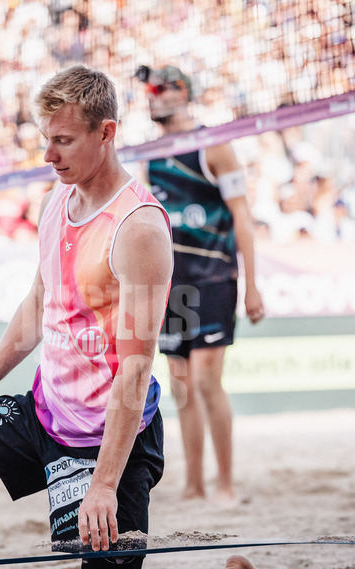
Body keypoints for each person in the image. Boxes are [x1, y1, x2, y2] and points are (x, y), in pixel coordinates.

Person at [0, 65, 277, 569]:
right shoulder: (54, 202)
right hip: (46, 414)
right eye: (47, 139)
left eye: (63, 141)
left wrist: (103, 485)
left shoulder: (138, 227)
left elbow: (135, 371)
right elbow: (39, 305)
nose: (48, 155)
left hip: (112, 438)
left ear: (106, 133)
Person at [137, 64, 265, 504]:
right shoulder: (150, 155)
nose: (153, 97)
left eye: (161, 89)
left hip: (214, 276)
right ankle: (193, 485)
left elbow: (242, 214)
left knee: (207, 380)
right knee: (181, 385)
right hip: (172, 284)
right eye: (149, 90)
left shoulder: (213, 144)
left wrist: (251, 284)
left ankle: (225, 484)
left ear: (183, 93)